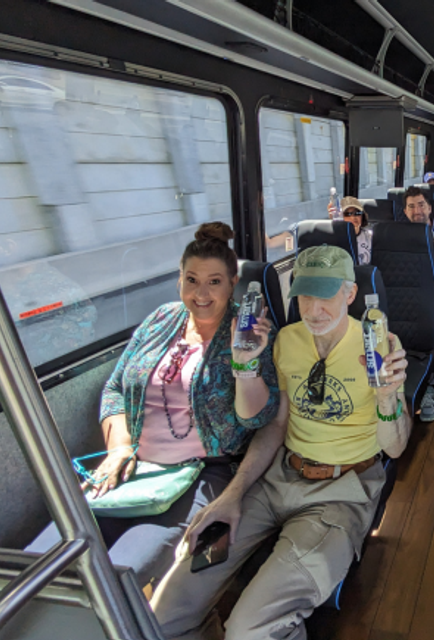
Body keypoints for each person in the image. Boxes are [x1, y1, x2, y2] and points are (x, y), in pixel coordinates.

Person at [151, 246, 412, 640]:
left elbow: (394, 448)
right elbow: (275, 425)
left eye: (326, 295)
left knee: (251, 629)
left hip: (342, 493)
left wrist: (389, 399)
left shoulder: (378, 347)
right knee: (165, 611)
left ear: (350, 294)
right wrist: (233, 495)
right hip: (275, 482)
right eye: (305, 295)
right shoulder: (287, 341)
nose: (313, 309)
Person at [26, 223, 280, 591]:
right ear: (179, 279)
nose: (201, 293)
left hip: (202, 473)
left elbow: (257, 418)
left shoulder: (247, 332)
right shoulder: (161, 320)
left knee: (117, 579)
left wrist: (245, 364)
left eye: (214, 282)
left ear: (233, 282)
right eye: (191, 280)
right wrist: (119, 449)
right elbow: (115, 387)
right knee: (44, 560)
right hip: (133, 468)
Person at [401, 185, 434, 422]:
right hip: (402, 294)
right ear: (404, 211)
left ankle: (429, 385)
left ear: (430, 208)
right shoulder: (397, 237)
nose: (417, 211)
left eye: (421, 204)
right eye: (411, 206)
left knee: (424, 315)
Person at [328, 196, 373, 264]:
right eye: (347, 214)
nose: (353, 217)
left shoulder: (371, 236)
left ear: (363, 216)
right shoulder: (334, 239)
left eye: (357, 213)